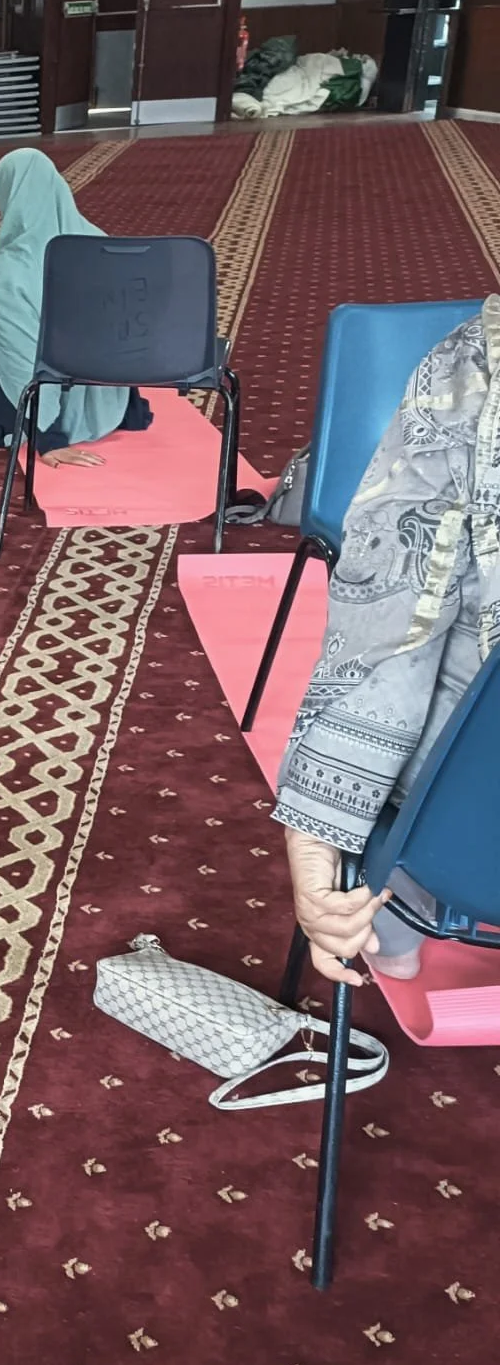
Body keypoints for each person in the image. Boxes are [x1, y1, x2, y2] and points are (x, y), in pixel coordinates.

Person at [275, 302, 498, 984]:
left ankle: (395, 922)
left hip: (475, 840)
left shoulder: (476, 364)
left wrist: (316, 841)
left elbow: (394, 624)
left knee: (428, 723)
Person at [0, 147, 152, 470]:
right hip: (108, 398)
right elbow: (118, 331)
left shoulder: (12, 271)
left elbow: (22, 357)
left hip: (52, 408)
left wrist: (48, 437)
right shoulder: (98, 241)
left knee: (13, 341)